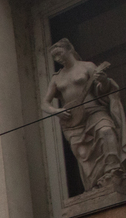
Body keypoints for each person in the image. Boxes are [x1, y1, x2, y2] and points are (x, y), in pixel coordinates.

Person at [42, 37, 126, 194]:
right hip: (73, 122)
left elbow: (102, 88)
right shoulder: (57, 78)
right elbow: (44, 103)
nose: (58, 59)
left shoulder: (87, 67)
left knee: (106, 131)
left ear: (70, 50)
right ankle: (96, 185)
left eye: (60, 54)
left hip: (94, 111)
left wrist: (104, 80)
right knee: (82, 154)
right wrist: (57, 111)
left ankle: (114, 171)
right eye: (55, 57)